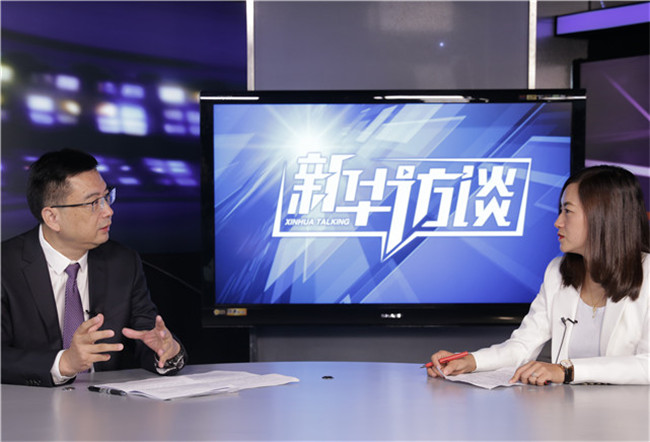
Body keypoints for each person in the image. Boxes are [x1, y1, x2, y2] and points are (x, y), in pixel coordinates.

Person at [427, 165, 649, 385]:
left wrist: (567, 371)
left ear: (603, 215)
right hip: (567, 406)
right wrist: (470, 361)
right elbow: (522, 346)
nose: (558, 222)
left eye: (568, 211)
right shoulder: (557, 272)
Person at [2, 149, 186, 387]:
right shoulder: (6, 266)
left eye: (107, 197)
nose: (108, 211)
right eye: (93, 203)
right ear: (52, 217)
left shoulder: (123, 262)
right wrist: (64, 363)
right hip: (25, 405)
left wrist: (167, 351)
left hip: (105, 404)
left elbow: (147, 336)